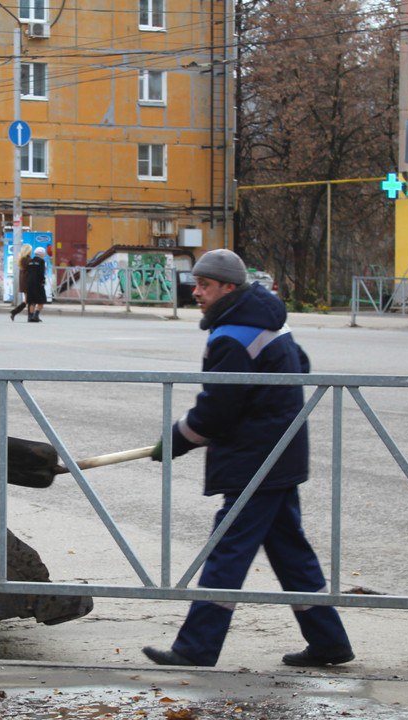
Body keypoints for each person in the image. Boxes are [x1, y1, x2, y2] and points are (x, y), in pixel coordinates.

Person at [141, 248, 353, 669]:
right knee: (291, 553)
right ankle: (329, 641)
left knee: (228, 549)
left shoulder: (231, 336)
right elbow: (302, 364)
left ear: (228, 287)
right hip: (280, 451)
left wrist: (177, 438)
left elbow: (217, 410)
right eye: (196, 283)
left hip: (255, 460)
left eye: (204, 285)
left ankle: (196, 647)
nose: (196, 292)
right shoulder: (269, 319)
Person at [23, 246, 48, 322]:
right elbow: (41, 273)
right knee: (41, 301)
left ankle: (30, 317)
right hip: (38, 283)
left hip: (30, 283)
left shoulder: (30, 261)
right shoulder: (41, 261)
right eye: (44, 253)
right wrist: (43, 281)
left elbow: (28, 272)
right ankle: (36, 316)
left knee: (32, 301)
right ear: (41, 253)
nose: (44, 254)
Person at [9, 246, 32, 321]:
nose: (31, 252)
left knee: (27, 300)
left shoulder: (22, 259)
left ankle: (14, 312)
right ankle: (29, 316)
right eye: (30, 250)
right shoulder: (27, 259)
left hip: (24, 282)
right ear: (28, 251)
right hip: (27, 282)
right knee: (29, 300)